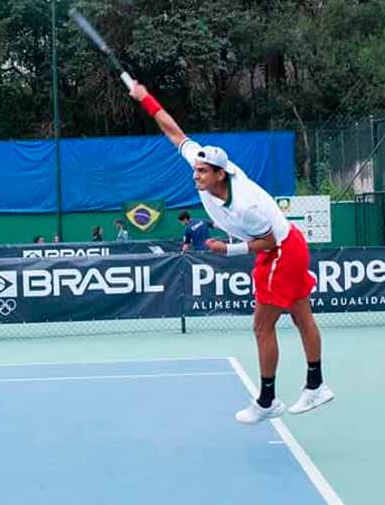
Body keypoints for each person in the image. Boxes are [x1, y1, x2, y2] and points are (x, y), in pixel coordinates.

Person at [129, 82, 333, 424]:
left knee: (261, 326)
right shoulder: (205, 168)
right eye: (196, 170)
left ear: (220, 174)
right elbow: (174, 132)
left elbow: (267, 242)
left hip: (281, 249)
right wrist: (144, 98)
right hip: (286, 244)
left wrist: (228, 249)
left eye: (202, 172)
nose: (195, 175)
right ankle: (316, 384)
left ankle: (268, 400)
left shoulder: (245, 206)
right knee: (300, 315)